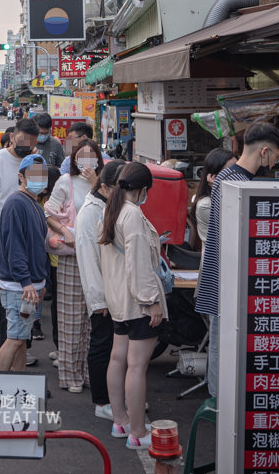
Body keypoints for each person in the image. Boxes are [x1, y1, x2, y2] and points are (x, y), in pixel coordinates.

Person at [195, 121, 279, 406]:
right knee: (225, 347)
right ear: (265, 152)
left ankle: (221, 403)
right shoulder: (237, 183)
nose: (275, 163)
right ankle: (221, 407)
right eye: (277, 157)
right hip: (229, 283)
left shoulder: (227, 178)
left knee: (224, 344)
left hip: (223, 279)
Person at [99, 162, 167, 450]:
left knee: (118, 359)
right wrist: (151, 302)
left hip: (117, 298)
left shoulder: (111, 209)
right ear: (142, 189)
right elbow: (139, 266)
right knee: (137, 366)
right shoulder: (133, 216)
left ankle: (121, 420)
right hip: (137, 301)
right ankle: (138, 433)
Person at [0, 117, 40, 350]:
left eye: (32, 143)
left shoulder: (34, 161)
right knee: (6, 300)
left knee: (28, 297)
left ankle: (22, 349)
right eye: (23, 142)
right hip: (3, 243)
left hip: (30, 242)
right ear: (12, 137)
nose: (27, 147)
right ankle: (6, 351)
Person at [45, 139, 103, 393]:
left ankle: (89, 372)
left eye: (92, 156)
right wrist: (64, 231)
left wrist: (96, 183)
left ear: (99, 160)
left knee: (94, 318)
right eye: (82, 156)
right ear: (74, 159)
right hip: (70, 257)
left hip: (98, 258)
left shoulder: (104, 183)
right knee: (70, 319)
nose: (87, 161)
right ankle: (70, 376)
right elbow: (48, 212)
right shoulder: (63, 182)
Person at [0, 154, 53, 371]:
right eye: (34, 175)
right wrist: (27, 282)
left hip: (28, 285)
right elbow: (14, 247)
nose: (40, 180)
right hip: (19, 286)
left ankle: (20, 389)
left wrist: (41, 281)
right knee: (15, 339)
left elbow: (38, 245)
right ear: (21, 177)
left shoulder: (33, 203)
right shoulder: (17, 203)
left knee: (20, 341)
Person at [76, 159, 125, 419]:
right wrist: (99, 301)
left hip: (114, 292)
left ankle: (113, 398)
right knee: (102, 345)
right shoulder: (90, 212)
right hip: (103, 295)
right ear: (105, 187)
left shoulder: (105, 205)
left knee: (111, 347)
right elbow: (89, 261)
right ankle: (102, 400)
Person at [188, 148, 238, 251]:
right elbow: (233, 232)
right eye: (230, 173)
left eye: (237, 171)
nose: (236, 176)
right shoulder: (206, 205)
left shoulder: (232, 198)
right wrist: (218, 187)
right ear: (213, 177)